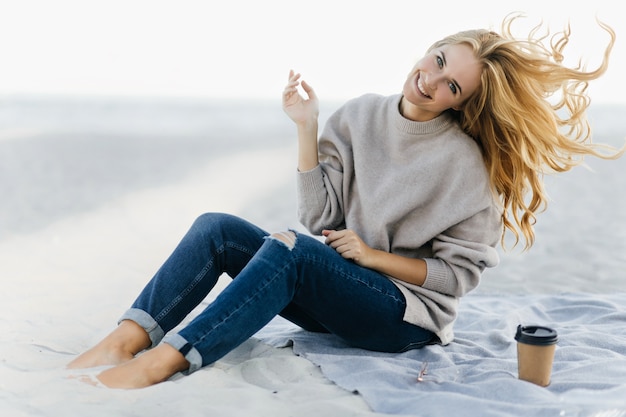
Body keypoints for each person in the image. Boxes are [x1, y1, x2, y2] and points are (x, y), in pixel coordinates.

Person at [67, 13, 624, 389]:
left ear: (464, 103)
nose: (429, 80)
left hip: (405, 319)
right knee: (218, 227)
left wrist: (371, 257)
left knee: (293, 250)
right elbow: (322, 220)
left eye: (452, 85)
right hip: (337, 292)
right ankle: (127, 339)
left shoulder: (464, 165)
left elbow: (457, 278)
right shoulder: (359, 114)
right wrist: (307, 129)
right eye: (436, 60)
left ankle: (165, 362)